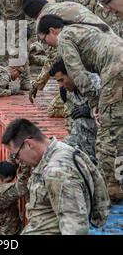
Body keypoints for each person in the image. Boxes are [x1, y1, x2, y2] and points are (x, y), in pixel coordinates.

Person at [37, 14, 123, 202]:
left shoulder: (64, 38)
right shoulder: (79, 28)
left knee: (107, 133)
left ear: (52, 31)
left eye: (45, 40)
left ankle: (109, 189)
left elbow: (77, 72)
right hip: (116, 63)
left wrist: (93, 104)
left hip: (114, 67)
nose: (47, 45)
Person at [1, 118, 110, 235]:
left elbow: (75, 228)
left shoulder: (57, 172)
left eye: (16, 155)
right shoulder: (61, 150)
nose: (18, 160)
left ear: (29, 144)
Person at [49, 58, 98, 158]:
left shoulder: (94, 83)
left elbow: (114, 114)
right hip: (84, 140)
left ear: (72, 74)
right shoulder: (72, 90)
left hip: (106, 142)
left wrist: (90, 112)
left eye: (62, 80)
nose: (61, 85)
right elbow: (76, 123)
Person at [0, 161, 28, 235]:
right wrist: (24, 163)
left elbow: (2, 170)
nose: (12, 182)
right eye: (9, 181)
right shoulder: (0, 196)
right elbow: (22, 188)